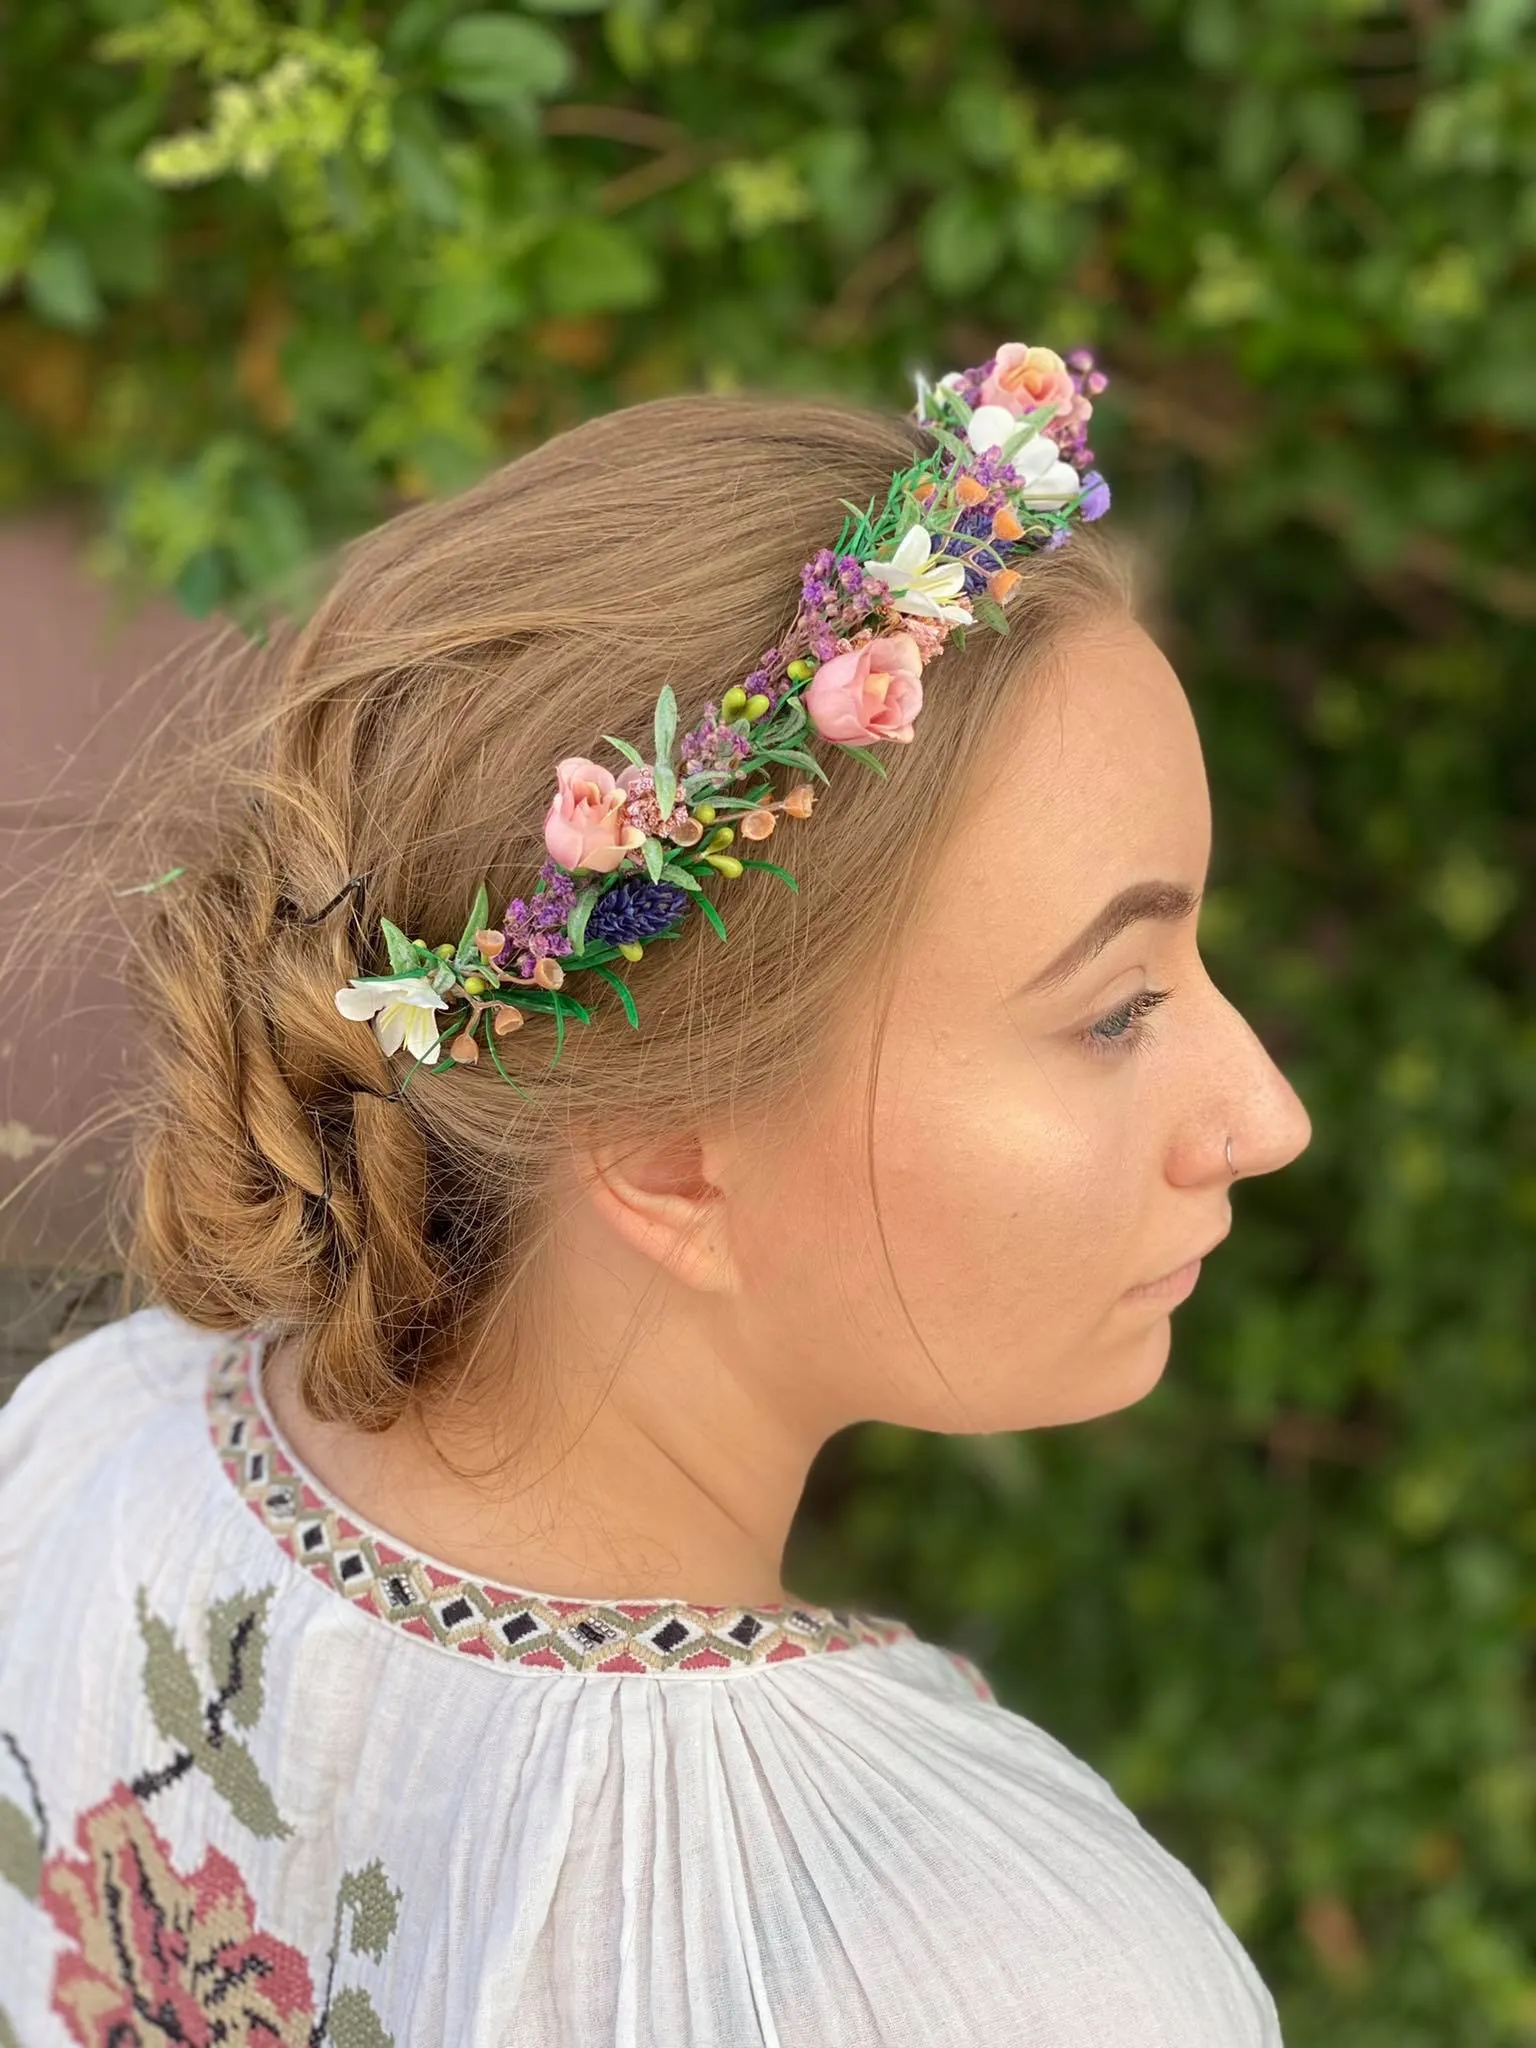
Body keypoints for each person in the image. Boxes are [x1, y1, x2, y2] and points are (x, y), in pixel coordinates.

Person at [0, 345, 1311, 2045]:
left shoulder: (93, 1448)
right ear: (670, 1153)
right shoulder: (999, 1970)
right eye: (1115, 1008)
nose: (1265, 1115)